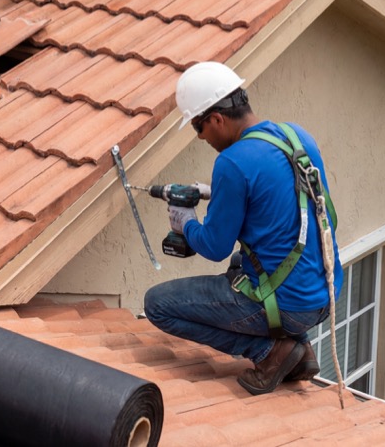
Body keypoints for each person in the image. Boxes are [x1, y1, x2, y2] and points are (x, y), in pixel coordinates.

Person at [143, 62, 343, 395]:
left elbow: (214, 246)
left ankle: (270, 352)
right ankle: (301, 350)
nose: (201, 137)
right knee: (239, 266)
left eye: (198, 127)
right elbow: (280, 198)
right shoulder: (296, 136)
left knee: (157, 304)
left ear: (217, 119)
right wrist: (219, 192)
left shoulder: (232, 163)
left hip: (290, 307)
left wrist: (186, 223)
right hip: (325, 294)